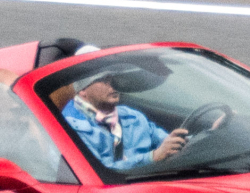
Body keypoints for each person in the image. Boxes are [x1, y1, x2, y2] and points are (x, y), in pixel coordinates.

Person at [59, 71, 188, 171]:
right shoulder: (70, 127)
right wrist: (152, 157)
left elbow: (168, 141)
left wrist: (200, 138)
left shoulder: (132, 116)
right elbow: (100, 173)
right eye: (105, 80)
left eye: (114, 80)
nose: (114, 85)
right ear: (82, 89)